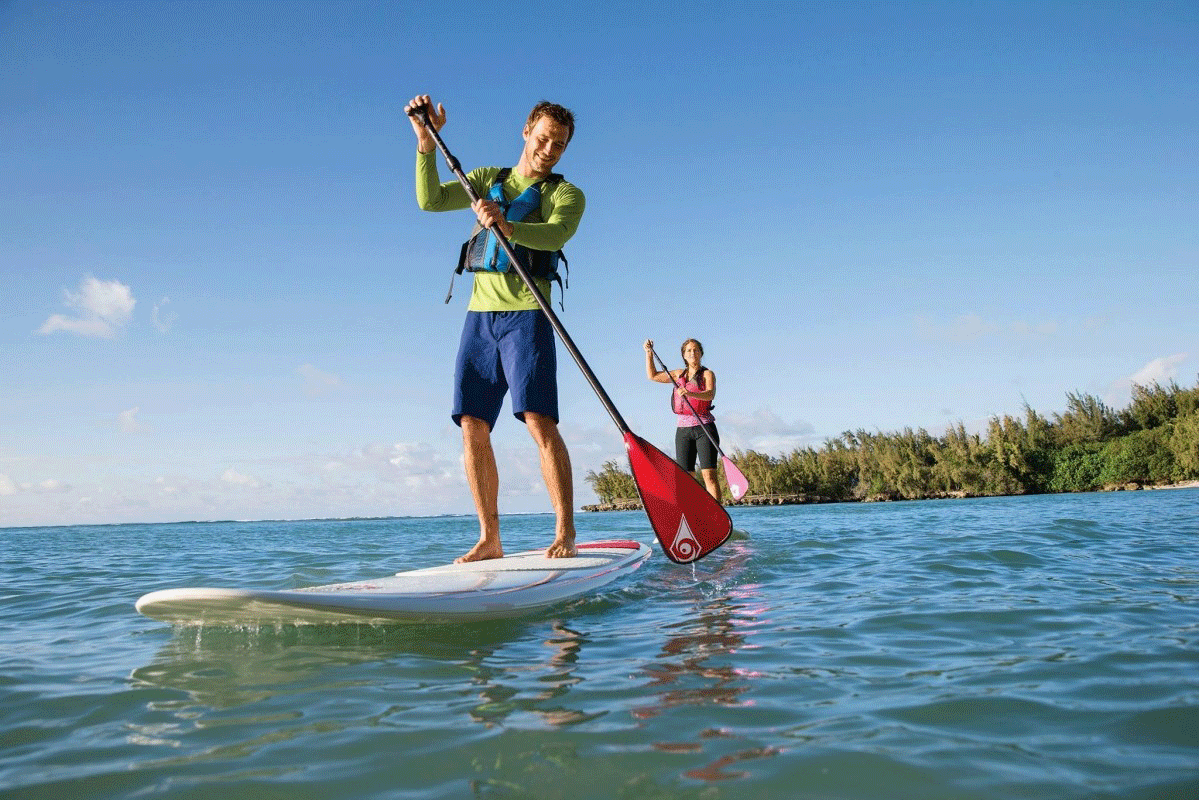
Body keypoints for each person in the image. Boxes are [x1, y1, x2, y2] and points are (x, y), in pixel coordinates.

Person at [405, 94, 585, 563]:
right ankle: (490, 537)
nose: (549, 150)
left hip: (528, 313)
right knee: (471, 423)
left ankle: (565, 532)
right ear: (526, 131)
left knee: (539, 421)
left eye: (559, 145)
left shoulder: (565, 195)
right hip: (480, 317)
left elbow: (555, 234)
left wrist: (506, 224)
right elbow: (429, 201)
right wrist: (425, 142)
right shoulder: (486, 180)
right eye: (544, 138)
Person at [644, 338, 722, 500]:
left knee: (709, 476)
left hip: (704, 428)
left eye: (695, 350)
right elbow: (652, 376)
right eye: (688, 351)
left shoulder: (708, 374)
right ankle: (693, 516)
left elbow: (710, 394)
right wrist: (649, 353)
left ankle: (717, 515)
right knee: (687, 479)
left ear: (701, 353)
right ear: (684, 355)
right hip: (683, 431)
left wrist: (689, 393)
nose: (692, 353)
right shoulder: (678, 374)